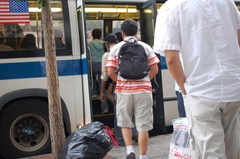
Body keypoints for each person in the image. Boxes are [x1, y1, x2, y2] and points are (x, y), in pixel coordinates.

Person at [154, 0, 240, 158]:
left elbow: (171, 59)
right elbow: (238, 39)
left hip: (202, 92)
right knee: (234, 149)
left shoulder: (171, 7)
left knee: (209, 151)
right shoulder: (227, 2)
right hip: (234, 88)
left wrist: (184, 89)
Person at [106, 19, 160, 159]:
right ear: (136, 32)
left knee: (125, 122)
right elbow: (154, 69)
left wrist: (122, 83)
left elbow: (110, 72)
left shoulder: (115, 49)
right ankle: (143, 156)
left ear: (122, 33)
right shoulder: (146, 47)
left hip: (124, 92)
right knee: (143, 126)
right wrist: (144, 80)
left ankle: (130, 151)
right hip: (143, 91)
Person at [100, 33, 138, 146]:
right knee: (133, 109)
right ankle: (135, 133)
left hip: (120, 85)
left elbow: (105, 75)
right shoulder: (122, 50)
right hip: (133, 84)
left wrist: (101, 92)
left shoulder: (107, 55)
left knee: (120, 112)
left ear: (106, 43)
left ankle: (121, 138)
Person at [88, 28, 108, 113]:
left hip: (92, 64)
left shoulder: (89, 44)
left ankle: (93, 93)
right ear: (100, 35)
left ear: (92, 35)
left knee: (91, 79)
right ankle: (105, 108)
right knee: (102, 85)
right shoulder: (104, 44)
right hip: (102, 64)